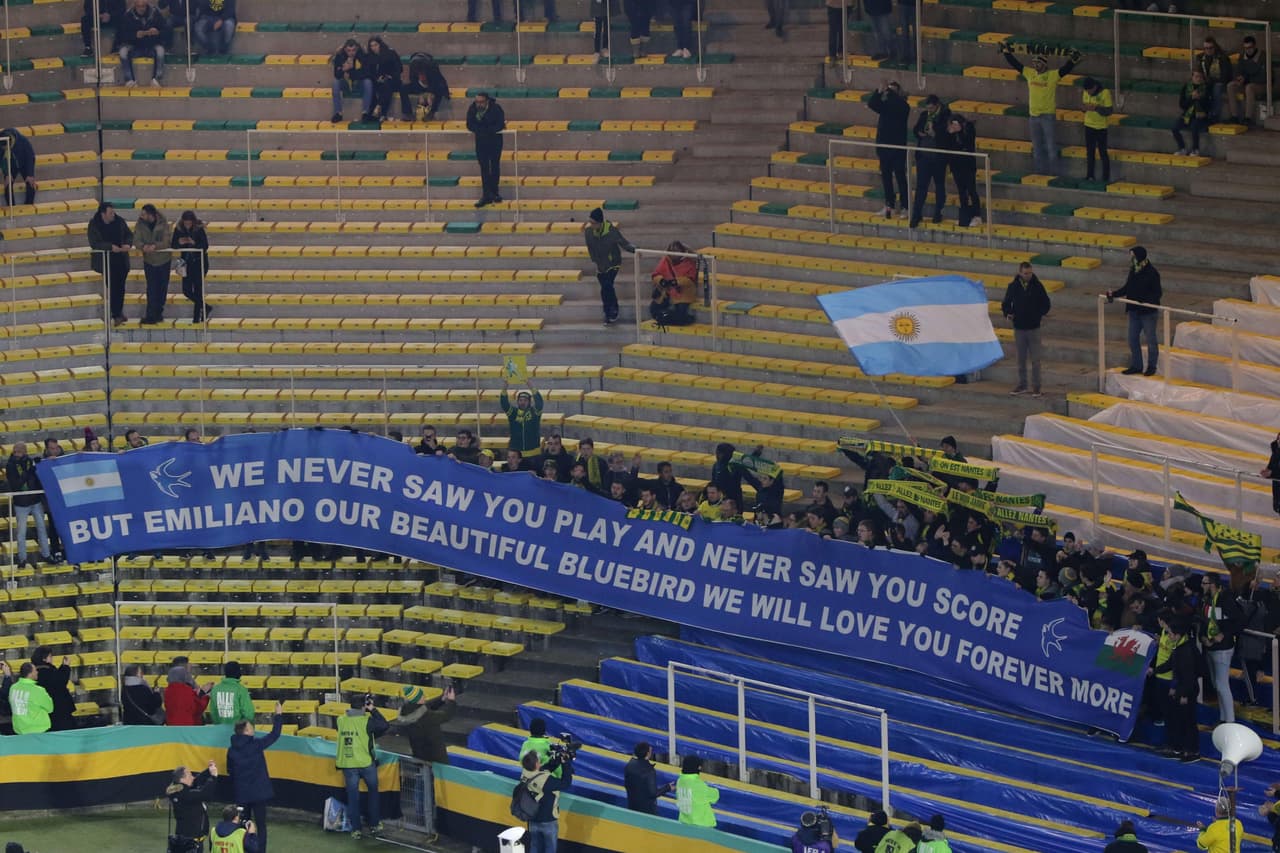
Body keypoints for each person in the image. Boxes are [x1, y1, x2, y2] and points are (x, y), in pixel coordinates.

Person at [1000, 43, 1079, 175]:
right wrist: (1006, 52)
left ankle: (1055, 173)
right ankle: (1039, 173)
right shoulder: (1030, 73)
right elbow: (1016, 64)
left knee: (1051, 147)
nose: (1036, 65)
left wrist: (1073, 59)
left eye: (1038, 63)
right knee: (1037, 148)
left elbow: (1065, 69)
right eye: (1034, 63)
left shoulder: (1052, 75)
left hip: (1048, 116)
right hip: (1033, 117)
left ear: (1044, 64)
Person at [227, 703, 284, 849]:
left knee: (241, 825)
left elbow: (230, 771)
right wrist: (278, 715)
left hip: (241, 794)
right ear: (246, 730)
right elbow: (275, 734)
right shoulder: (256, 745)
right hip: (259, 793)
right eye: (251, 727)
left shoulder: (231, 750)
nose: (253, 728)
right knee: (260, 825)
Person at [336, 694, 389, 839]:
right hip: (366, 763)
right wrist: (373, 709)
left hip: (348, 764)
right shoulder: (367, 721)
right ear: (363, 706)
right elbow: (384, 725)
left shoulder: (340, 720)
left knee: (353, 797)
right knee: (373, 792)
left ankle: (356, 829)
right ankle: (374, 824)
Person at [1106, 246, 1162, 376]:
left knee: (1151, 340)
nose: (1131, 258)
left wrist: (1145, 300)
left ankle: (1152, 366)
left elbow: (1157, 293)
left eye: (1133, 256)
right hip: (1134, 311)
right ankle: (1137, 365)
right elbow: (1128, 288)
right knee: (1132, 339)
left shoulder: (1152, 272)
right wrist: (1114, 294)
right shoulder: (1133, 270)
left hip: (1148, 313)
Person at [1001, 262, 1051, 397]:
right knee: (1021, 359)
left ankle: (1036, 387)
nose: (1028, 275)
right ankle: (1022, 385)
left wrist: (1038, 314)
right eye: (1025, 273)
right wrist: (1008, 313)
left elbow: (1046, 303)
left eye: (1030, 273)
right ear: (1020, 273)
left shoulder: (1038, 286)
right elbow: (1006, 304)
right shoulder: (1013, 286)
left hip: (1034, 327)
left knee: (1036, 360)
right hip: (1019, 328)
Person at [1156, 615, 1200, 762]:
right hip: (1183, 689)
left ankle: (1192, 751)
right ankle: (1179, 747)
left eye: (1170, 634)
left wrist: (1183, 694)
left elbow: (1189, 676)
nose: (1168, 636)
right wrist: (1155, 670)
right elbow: (1171, 664)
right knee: (1179, 719)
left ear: (1178, 634)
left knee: (1188, 721)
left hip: (1187, 691)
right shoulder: (1180, 647)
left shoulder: (1186, 651)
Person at [1199, 572, 1242, 724]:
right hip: (1209, 646)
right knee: (1216, 684)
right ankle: (1223, 718)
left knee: (1222, 684)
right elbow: (1203, 621)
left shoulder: (1225, 599)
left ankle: (1230, 721)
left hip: (1223, 648)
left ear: (1212, 584)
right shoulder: (1205, 599)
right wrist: (1203, 638)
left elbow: (1238, 621)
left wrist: (1223, 634)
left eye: (1204, 583)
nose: (1201, 586)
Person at [583, 207, 635, 325]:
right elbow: (590, 247)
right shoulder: (588, 232)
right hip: (600, 265)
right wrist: (594, 259)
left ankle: (611, 311)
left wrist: (636, 250)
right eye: (590, 222)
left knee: (607, 286)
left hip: (613, 263)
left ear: (600, 222)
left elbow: (624, 243)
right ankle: (609, 312)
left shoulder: (611, 231)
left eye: (593, 223)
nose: (591, 225)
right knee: (605, 289)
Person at [520, 746, 574, 853]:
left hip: (532, 818)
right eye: (538, 761)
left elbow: (544, 769)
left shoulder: (525, 773)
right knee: (550, 848)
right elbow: (565, 783)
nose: (540, 762)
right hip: (548, 819)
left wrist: (558, 759)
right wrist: (566, 763)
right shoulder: (545, 780)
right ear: (536, 764)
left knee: (534, 846)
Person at [868, 82, 909, 219]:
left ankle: (905, 206)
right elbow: (872, 104)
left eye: (891, 92)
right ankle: (889, 204)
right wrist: (878, 91)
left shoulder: (903, 106)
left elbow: (898, 104)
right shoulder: (884, 106)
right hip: (883, 146)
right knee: (886, 176)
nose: (888, 94)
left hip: (897, 147)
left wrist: (890, 93)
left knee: (900, 176)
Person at [87, 201, 133, 326]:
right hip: (106, 261)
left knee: (121, 287)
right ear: (103, 214)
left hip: (121, 260)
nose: (113, 214)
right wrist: (110, 247)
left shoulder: (119, 221)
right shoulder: (94, 225)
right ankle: (116, 314)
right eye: (110, 212)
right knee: (112, 287)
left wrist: (128, 244)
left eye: (113, 212)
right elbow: (94, 243)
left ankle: (119, 312)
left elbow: (129, 235)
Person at [7, 443, 52, 570]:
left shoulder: (30, 462)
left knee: (42, 528)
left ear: (25, 452)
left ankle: (46, 554)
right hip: (21, 504)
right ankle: (22, 559)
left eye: (20, 452)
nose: (18, 454)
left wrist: (40, 465)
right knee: (21, 533)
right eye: (16, 452)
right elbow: (16, 484)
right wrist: (28, 471)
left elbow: (38, 478)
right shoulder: (10, 466)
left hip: (35, 501)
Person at [909, 95, 950, 228]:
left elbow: (947, 134)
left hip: (938, 158)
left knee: (939, 186)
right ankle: (916, 215)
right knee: (921, 187)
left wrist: (935, 133)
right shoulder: (923, 115)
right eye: (928, 108)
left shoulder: (946, 115)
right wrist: (919, 133)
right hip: (924, 156)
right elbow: (916, 129)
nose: (930, 111)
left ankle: (938, 213)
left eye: (932, 108)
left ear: (937, 105)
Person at [390, 685, 455, 764]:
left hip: (419, 754)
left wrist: (442, 699)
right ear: (417, 700)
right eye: (422, 695)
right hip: (434, 757)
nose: (424, 696)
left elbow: (426, 707)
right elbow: (445, 716)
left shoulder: (408, 711)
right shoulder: (425, 717)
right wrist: (451, 701)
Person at [166, 761, 219, 849]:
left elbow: (195, 781)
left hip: (183, 838)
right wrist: (213, 777)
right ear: (182, 779)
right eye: (190, 775)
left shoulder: (178, 790)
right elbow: (206, 794)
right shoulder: (185, 795)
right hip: (191, 842)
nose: (192, 777)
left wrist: (208, 771)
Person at [466, 92, 506, 208]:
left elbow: (500, 124)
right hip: (481, 142)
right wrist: (481, 131)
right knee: (484, 168)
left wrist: (485, 130)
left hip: (495, 142)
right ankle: (486, 194)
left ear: (487, 101)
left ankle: (494, 192)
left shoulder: (496, 108)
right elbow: (469, 124)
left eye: (481, 102)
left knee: (494, 166)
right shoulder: (473, 109)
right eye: (477, 102)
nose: (478, 104)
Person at [117, 0, 169, 87]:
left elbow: (166, 31)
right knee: (123, 51)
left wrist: (158, 32)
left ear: (147, 5)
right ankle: (129, 79)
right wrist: (134, 35)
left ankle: (156, 79)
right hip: (135, 47)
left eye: (143, 6)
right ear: (135, 5)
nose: (141, 9)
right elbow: (121, 35)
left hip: (152, 46)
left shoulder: (155, 13)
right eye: (139, 6)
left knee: (160, 50)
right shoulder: (128, 15)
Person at [171, 209, 211, 323]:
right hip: (186, 264)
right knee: (186, 290)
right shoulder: (178, 229)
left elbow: (205, 245)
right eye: (185, 223)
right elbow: (173, 244)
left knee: (198, 290)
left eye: (189, 223)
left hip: (199, 263)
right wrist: (180, 242)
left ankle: (196, 318)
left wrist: (194, 244)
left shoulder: (199, 229)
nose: (187, 225)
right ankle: (205, 307)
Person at [134, 203, 172, 324]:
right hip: (149, 261)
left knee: (162, 288)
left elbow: (166, 241)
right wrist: (143, 246)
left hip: (163, 260)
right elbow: (136, 240)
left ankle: (158, 313)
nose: (141, 215)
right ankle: (150, 315)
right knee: (151, 288)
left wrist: (155, 246)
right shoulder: (140, 224)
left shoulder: (163, 223)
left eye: (144, 213)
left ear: (151, 215)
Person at [942, 113, 981, 227]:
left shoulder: (968, 128)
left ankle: (977, 215)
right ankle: (965, 216)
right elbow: (947, 146)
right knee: (961, 191)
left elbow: (968, 143)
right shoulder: (950, 132)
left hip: (967, 165)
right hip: (956, 165)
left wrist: (959, 131)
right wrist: (950, 134)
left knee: (971, 189)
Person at [649, 241, 697, 327]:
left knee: (680, 315)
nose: (674, 254)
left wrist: (676, 282)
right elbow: (656, 274)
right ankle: (664, 316)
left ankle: (678, 318)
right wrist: (661, 280)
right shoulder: (665, 260)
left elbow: (690, 279)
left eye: (677, 251)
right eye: (672, 251)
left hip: (682, 293)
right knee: (654, 309)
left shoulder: (689, 262)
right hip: (666, 292)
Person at [1078, 77, 1114, 183]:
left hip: (1101, 127)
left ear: (1094, 87)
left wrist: (1096, 108)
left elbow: (1108, 111)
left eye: (1090, 90)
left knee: (1103, 152)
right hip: (1088, 125)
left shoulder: (1105, 93)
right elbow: (1083, 107)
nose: (1088, 93)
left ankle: (1105, 177)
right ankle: (1090, 175)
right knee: (1090, 152)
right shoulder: (1085, 93)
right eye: (1086, 91)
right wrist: (1084, 109)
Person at [32, 646, 75, 732]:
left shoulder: (33, 671)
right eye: (50, 656)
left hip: (43, 709)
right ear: (44, 658)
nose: (52, 658)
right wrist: (65, 666)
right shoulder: (48, 671)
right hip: (58, 707)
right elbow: (60, 682)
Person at [330, 39, 373, 124]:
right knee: (335, 82)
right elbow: (337, 74)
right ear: (345, 50)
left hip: (359, 84)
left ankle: (365, 112)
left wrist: (351, 71)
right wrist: (343, 70)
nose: (351, 53)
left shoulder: (363, 56)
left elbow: (367, 73)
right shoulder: (340, 56)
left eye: (353, 50)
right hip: (346, 84)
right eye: (349, 51)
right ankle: (338, 113)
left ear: (357, 49)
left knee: (368, 82)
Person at [624, 742, 674, 814]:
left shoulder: (629, 765)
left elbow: (627, 784)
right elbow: (653, 793)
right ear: (648, 754)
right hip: (647, 809)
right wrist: (668, 787)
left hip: (632, 805)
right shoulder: (649, 771)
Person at [1173, 70, 1213, 156]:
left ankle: (1195, 149)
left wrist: (1199, 98)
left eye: (1200, 77)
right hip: (1188, 115)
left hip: (1201, 115)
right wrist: (1191, 98)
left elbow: (1209, 106)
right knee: (1175, 128)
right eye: (1196, 76)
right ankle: (1182, 148)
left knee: (1194, 127)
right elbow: (1182, 104)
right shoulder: (1186, 87)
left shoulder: (1206, 88)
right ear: (1192, 77)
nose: (1198, 79)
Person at [1227, 36, 1264, 127]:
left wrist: (1246, 78)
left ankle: (1248, 118)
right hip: (1246, 83)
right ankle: (1234, 116)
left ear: (1254, 46)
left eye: (1250, 47)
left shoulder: (1263, 56)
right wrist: (1239, 78)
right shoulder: (1242, 56)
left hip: (1262, 85)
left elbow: (1262, 77)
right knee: (1231, 85)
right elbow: (1237, 71)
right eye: (1246, 48)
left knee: (1249, 87)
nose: (1248, 50)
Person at [401, 53, 450, 122]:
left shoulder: (432, 67)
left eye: (422, 73)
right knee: (403, 88)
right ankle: (407, 113)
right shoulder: (413, 67)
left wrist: (431, 93)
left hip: (432, 84)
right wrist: (420, 94)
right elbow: (412, 80)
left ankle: (432, 113)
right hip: (419, 86)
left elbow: (441, 81)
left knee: (440, 90)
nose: (421, 76)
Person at [7, 662, 52, 734]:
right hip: (37, 729)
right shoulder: (38, 690)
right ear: (30, 674)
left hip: (19, 729)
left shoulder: (13, 688)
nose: (37, 672)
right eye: (35, 670)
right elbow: (50, 708)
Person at [365, 36, 403, 124]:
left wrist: (390, 76)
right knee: (374, 87)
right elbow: (368, 72)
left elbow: (399, 68)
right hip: (378, 81)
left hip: (393, 80)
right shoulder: (369, 57)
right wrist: (376, 78)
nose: (374, 48)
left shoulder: (390, 53)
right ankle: (379, 113)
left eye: (376, 45)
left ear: (380, 44)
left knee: (387, 85)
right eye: (372, 46)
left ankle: (379, 107)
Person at [164, 656, 211, 726]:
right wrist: (205, 696)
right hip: (188, 726)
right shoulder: (187, 689)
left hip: (171, 725)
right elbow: (196, 708)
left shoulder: (167, 691)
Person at [501, 382, 543, 457]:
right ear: (517, 402)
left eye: (525, 400)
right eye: (520, 400)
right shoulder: (513, 412)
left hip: (534, 453)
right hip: (516, 454)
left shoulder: (534, 412)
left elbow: (540, 403)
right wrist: (504, 388)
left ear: (529, 402)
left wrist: (531, 387)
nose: (522, 402)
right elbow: (504, 404)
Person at [675, 754, 718, 827]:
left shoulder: (680, 781)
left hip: (684, 822)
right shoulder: (697, 784)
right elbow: (715, 796)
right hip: (701, 825)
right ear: (698, 767)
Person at [1195, 37, 1232, 121]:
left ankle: (1215, 115)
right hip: (1207, 81)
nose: (1208, 50)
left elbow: (1225, 76)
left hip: (1221, 82)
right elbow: (1198, 72)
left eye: (1210, 48)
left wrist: (1210, 80)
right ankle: (1199, 113)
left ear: (1215, 47)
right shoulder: (1200, 57)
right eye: (1206, 48)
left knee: (1217, 88)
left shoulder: (1222, 58)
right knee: (1198, 85)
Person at [0, 128, 38, 207]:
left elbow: (30, 157)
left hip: (24, 163)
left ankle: (28, 206)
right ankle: (11, 207)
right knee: (8, 185)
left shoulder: (22, 141)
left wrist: (30, 174)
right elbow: (2, 160)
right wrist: (7, 174)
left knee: (30, 183)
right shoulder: (1, 141)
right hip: (11, 165)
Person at [208, 661, 254, 725]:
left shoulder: (215, 689)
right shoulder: (241, 689)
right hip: (237, 730)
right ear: (238, 672)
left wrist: (218, 725)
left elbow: (213, 712)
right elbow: (248, 714)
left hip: (219, 730)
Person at [1261, 432, 1280, 517]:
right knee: (1277, 507)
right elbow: (1272, 464)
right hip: (1277, 487)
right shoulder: (1276, 450)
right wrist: (1267, 471)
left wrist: (1271, 473)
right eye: (1278, 439)